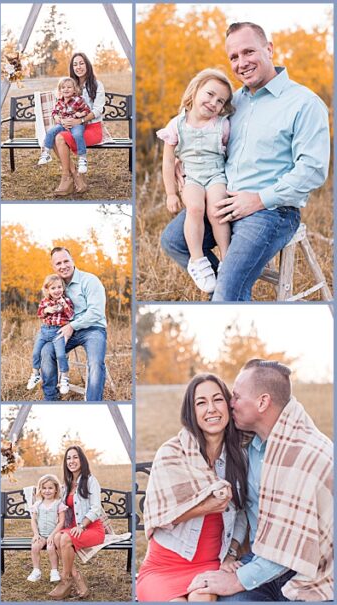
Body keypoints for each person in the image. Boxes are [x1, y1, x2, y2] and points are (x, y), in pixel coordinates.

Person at [159, 22, 330, 301]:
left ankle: (227, 293)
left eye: (249, 52)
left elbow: (313, 170)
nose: (241, 63)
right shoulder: (229, 103)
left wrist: (259, 199)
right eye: (234, 57)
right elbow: (201, 137)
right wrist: (183, 163)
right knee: (173, 241)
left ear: (269, 49)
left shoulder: (304, 103)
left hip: (271, 210)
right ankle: (226, 287)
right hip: (221, 197)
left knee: (227, 292)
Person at [188, 360, 333, 601]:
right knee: (204, 594)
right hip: (259, 563)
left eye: (236, 396)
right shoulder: (252, 447)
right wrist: (233, 555)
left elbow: (289, 546)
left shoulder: (305, 456)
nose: (230, 403)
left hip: (311, 575)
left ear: (263, 402)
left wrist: (236, 580)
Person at [137, 374, 249, 602]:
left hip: (211, 563)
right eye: (201, 403)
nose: (211, 409)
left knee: (204, 598)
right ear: (191, 411)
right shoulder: (171, 453)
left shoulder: (240, 456)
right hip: (164, 564)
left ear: (228, 405)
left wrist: (231, 554)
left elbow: (242, 512)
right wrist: (207, 506)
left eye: (218, 400)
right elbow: (162, 516)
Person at [158, 69, 235, 293]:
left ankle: (227, 258)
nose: (213, 103)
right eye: (209, 94)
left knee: (217, 210)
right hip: (191, 176)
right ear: (195, 90)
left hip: (216, 174)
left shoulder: (223, 125)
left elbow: (231, 155)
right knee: (194, 208)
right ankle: (198, 261)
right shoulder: (176, 125)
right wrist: (171, 193)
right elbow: (168, 162)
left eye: (220, 101)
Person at [38, 247, 107, 401]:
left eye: (66, 261)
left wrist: (72, 326)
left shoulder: (90, 281)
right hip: (66, 329)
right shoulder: (56, 285)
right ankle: (51, 398)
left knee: (95, 363)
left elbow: (96, 312)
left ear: (72, 260)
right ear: (53, 267)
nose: (63, 266)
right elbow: (45, 308)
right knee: (46, 351)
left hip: (93, 328)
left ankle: (93, 402)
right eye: (58, 263)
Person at [47, 446, 105, 599]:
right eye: (68, 458)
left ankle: (65, 580)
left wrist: (82, 525)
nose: (71, 461)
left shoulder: (91, 481)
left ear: (82, 460)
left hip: (92, 528)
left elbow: (96, 508)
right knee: (58, 537)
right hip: (73, 528)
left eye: (75, 457)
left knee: (64, 538)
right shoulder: (66, 485)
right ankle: (76, 577)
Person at [51, 52, 106, 196]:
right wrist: (59, 118)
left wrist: (80, 120)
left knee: (59, 138)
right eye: (75, 64)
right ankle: (75, 175)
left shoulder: (96, 85)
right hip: (72, 126)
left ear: (87, 64)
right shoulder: (69, 84)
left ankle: (66, 177)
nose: (78, 67)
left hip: (91, 128)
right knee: (52, 135)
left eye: (81, 63)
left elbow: (98, 110)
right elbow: (59, 104)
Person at [26, 274, 74, 395]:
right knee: (36, 352)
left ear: (63, 288)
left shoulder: (66, 300)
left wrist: (64, 305)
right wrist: (46, 311)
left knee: (61, 355)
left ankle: (64, 378)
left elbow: (71, 316)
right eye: (53, 288)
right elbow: (39, 314)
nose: (57, 290)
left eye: (59, 287)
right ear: (47, 290)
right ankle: (36, 374)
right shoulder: (45, 301)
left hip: (58, 331)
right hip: (44, 331)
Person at [38, 77, 92, 174]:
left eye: (69, 87)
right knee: (51, 131)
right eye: (63, 87)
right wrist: (56, 118)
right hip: (63, 124)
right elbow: (54, 112)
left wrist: (81, 114)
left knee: (77, 135)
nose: (66, 89)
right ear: (60, 90)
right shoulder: (60, 101)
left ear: (74, 90)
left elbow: (87, 110)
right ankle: (46, 153)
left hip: (76, 124)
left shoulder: (78, 100)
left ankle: (82, 159)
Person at [26, 474, 67, 583]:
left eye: (50, 488)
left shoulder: (59, 504)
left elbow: (61, 522)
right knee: (35, 546)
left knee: (50, 548)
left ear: (56, 489)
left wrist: (52, 535)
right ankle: (36, 570)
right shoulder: (37, 504)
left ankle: (54, 571)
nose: (47, 491)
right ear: (40, 489)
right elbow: (33, 520)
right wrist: (36, 534)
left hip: (54, 535)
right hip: (41, 535)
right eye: (44, 488)